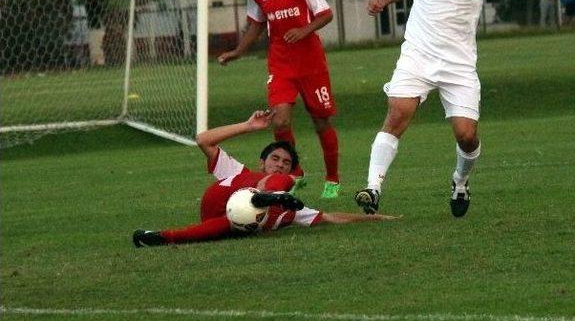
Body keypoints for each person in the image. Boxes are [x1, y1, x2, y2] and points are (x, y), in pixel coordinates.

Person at [354, 0, 543, 218]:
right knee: (397, 113)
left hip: (458, 63)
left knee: (466, 135)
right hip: (418, 53)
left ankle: (460, 180)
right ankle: (372, 188)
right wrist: (384, 1)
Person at [132, 110, 397, 247]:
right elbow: (203, 140)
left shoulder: (290, 211)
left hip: (232, 220)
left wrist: (371, 218)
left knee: (223, 227)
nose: (280, 165)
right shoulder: (238, 170)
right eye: (275, 160)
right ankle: (262, 196)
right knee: (279, 189)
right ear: (263, 162)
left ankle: (161, 237)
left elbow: (329, 217)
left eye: (286, 163)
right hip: (221, 200)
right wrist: (247, 126)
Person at [217, 0, 340, 199]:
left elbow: (326, 14)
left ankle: (332, 179)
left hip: (311, 64)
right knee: (280, 119)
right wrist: (238, 51)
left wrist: (304, 30)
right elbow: (256, 24)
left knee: (321, 121)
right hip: (281, 65)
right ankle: (295, 173)